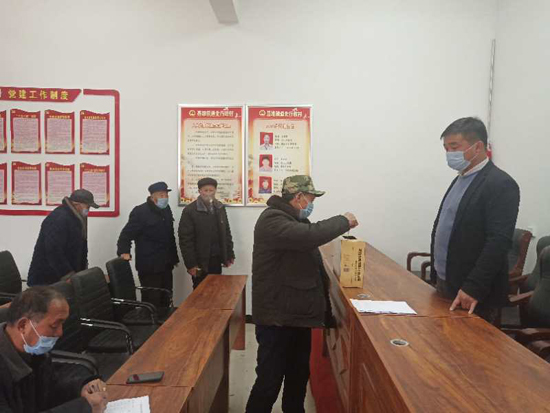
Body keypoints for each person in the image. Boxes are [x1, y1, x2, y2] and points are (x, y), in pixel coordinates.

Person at [246, 175, 359, 413]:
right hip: (277, 317)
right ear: (298, 197)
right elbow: (309, 236)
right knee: (269, 380)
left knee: (298, 375)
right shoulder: (272, 220)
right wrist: (343, 221)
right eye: (310, 199)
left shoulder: (292, 218)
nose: (311, 204)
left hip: (296, 313)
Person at [431, 117, 520, 324]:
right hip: (446, 281)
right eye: (446, 148)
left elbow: (498, 242)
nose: (449, 154)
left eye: (454, 147)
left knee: (469, 344)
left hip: (472, 292)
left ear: (478, 147)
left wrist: (473, 287)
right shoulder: (460, 178)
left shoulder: (500, 183)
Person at [0, 286, 108, 412]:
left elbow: (49, 392)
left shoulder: (34, 352)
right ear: (23, 326)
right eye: (54, 325)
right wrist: (83, 408)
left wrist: (81, 388)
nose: (60, 332)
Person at [117, 182, 179, 308]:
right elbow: (126, 235)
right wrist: (124, 252)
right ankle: (149, 321)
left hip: (166, 264)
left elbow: (170, 236)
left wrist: (174, 258)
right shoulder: (140, 211)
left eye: (166, 195)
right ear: (152, 197)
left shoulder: (166, 210)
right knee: (152, 300)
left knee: (166, 297)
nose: (165, 198)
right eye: (161, 195)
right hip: (149, 265)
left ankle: (165, 320)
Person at [28, 189, 99, 286]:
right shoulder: (58, 218)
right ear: (76, 204)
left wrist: (82, 270)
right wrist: (67, 275)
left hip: (64, 276)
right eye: (88, 207)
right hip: (47, 278)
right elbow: (53, 251)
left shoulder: (77, 218)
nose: (88, 210)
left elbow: (81, 245)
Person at [178, 177, 235, 289]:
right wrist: (191, 264)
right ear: (199, 191)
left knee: (215, 289)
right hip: (199, 261)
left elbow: (226, 232)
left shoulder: (220, 207)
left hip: (216, 258)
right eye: (205, 190)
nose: (208, 193)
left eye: (211, 190)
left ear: (215, 191)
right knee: (200, 290)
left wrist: (229, 254)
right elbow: (185, 240)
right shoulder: (190, 210)